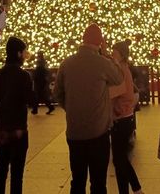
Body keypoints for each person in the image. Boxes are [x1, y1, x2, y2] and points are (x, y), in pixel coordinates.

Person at [54, 23, 124, 194]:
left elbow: (57, 94)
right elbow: (118, 78)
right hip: (98, 132)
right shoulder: (102, 62)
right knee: (98, 182)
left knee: (77, 180)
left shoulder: (67, 63)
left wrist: (71, 107)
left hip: (74, 132)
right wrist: (109, 56)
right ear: (100, 42)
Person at [0, 36, 35, 194]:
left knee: (1, 170)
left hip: (1, 130)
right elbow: (30, 99)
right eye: (24, 52)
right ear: (19, 53)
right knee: (16, 174)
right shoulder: (24, 76)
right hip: (18, 130)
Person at [110, 40, 144, 194]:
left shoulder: (121, 69)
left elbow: (124, 93)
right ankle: (132, 189)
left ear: (121, 54)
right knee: (120, 158)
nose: (112, 53)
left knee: (119, 159)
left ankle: (135, 188)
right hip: (124, 117)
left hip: (121, 118)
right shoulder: (122, 67)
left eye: (114, 51)